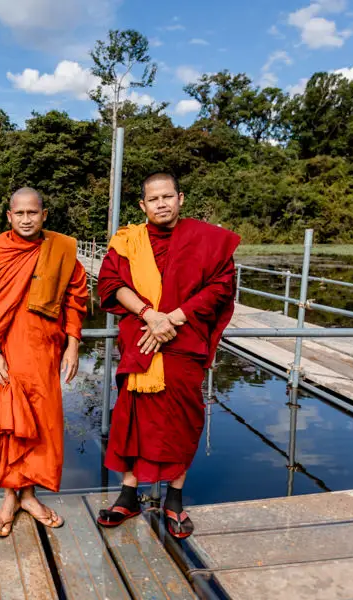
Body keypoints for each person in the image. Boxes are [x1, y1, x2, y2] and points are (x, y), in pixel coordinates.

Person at [96, 172, 239, 539]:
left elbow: (221, 285)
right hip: (142, 340)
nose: (161, 204)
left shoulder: (206, 239)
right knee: (131, 420)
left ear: (181, 199)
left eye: (168, 197)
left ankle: (174, 500)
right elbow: (111, 283)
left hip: (183, 341)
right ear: (142, 206)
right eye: (153, 199)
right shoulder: (129, 240)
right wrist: (150, 316)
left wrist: (173, 318)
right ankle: (129, 496)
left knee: (181, 421)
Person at [0, 187, 88, 537]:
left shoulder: (61, 250)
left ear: (44, 215)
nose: (25, 219)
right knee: (9, 425)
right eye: (19, 213)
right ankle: (10, 498)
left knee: (41, 424)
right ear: (9, 216)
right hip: (5, 353)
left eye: (32, 213)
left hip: (45, 352)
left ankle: (30, 496)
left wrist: (73, 344)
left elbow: (75, 298)